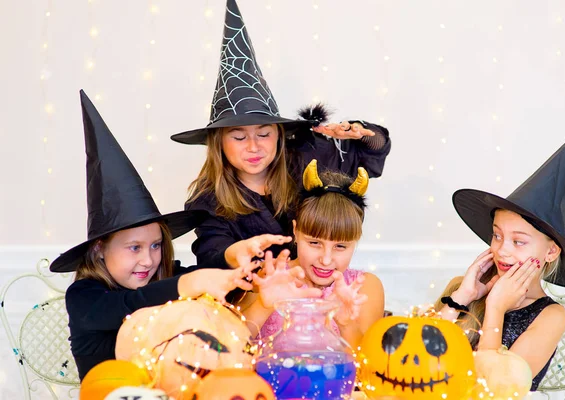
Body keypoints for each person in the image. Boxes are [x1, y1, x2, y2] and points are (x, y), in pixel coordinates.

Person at [51, 91, 289, 380]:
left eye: (155, 245)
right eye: (134, 248)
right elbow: (132, 305)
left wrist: (256, 284)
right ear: (100, 248)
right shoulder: (85, 296)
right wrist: (189, 283)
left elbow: (221, 294)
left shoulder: (167, 277)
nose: (148, 259)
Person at [170, 0, 392, 269]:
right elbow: (211, 255)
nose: (253, 147)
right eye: (239, 138)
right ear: (219, 144)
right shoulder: (207, 200)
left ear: (279, 135)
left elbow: (373, 152)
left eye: (263, 134)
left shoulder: (309, 157)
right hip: (258, 295)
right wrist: (236, 252)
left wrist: (361, 133)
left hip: (323, 283)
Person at [435, 113, 565, 390]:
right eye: (497, 236)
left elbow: (496, 389)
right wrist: (464, 295)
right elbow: (413, 354)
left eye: (519, 241)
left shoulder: (550, 316)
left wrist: (496, 308)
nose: (502, 251)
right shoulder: (466, 290)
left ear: (551, 252)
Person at [239, 160, 386, 348]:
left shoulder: (365, 288)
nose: (325, 260)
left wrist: (346, 324)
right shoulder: (268, 277)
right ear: (295, 231)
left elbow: (371, 367)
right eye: (314, 243)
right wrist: (262, 305)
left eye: (340, 247)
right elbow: (229, 349)